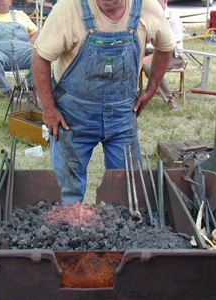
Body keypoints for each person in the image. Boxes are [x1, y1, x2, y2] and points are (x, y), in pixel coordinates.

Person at [32, 0, 176, 204]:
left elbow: (166, 46)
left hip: (122, 116)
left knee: (128, 189)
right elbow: (40, 57)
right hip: (72, 117)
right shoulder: (69, 8)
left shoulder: (146, 7)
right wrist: (48, 109)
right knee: (67, 192)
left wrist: (152, 89)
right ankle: (69, 228)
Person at [142, 0, 185, 112]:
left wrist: (147, 59)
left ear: (164, 1)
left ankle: (170, 100)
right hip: (148, 52)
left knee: (151, 67)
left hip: (172, 56)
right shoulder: (148, 15)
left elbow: (170, 48)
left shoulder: (172, 18)